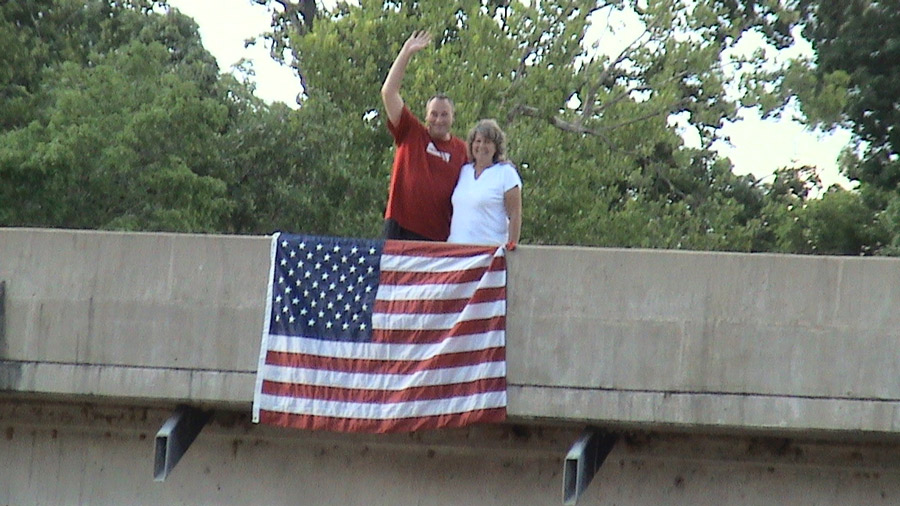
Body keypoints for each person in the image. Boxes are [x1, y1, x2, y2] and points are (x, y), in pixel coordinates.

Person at [380, 31, 468, 241]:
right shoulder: (411, 132)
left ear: (453, 117)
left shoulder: (463, 150)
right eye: (434, 114)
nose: (439, 119)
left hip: (438, 237)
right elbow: (388, 92)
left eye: (444, 114)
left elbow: (485, 169)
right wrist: (406, 53)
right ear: (426, 116)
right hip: (401, 229)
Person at [447, 119, 522, 248]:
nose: (481, 146)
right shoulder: (464, 171)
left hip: (488, 253)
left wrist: (511, 246)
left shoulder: (506, 173)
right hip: (456, 252)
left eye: (487, 142)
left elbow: (515, 214)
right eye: (478, 141)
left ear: (496, 147)